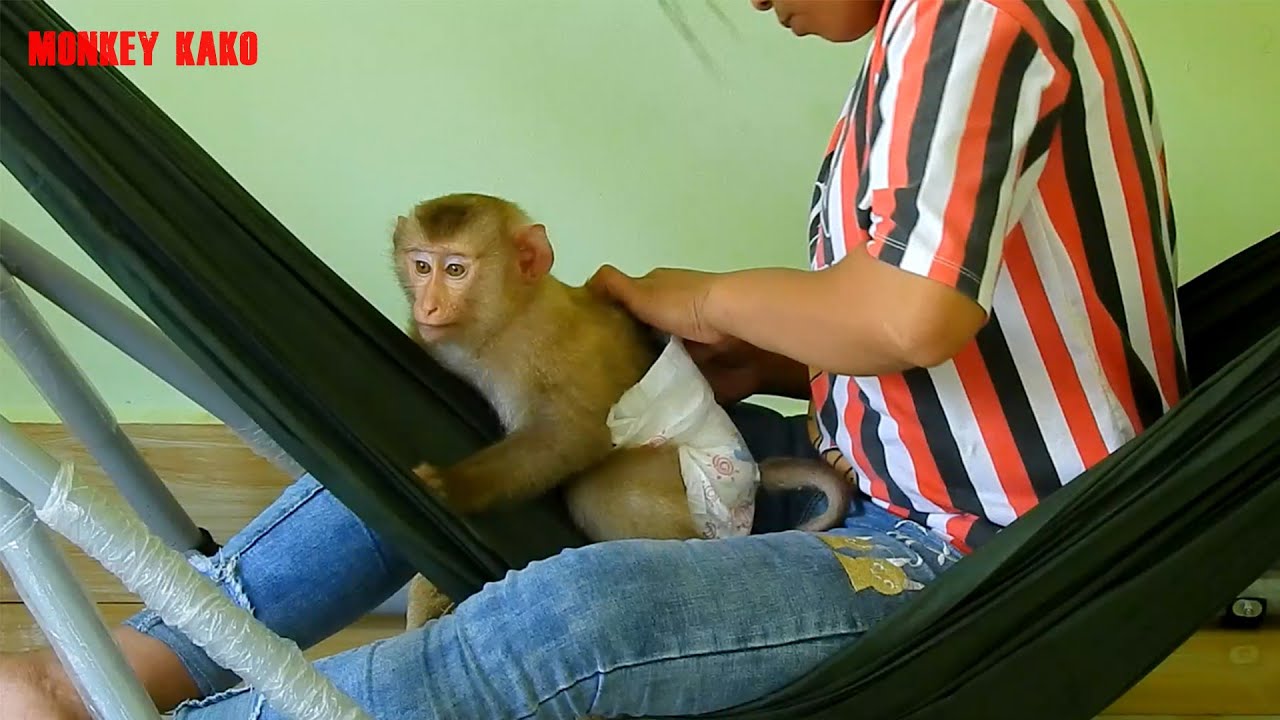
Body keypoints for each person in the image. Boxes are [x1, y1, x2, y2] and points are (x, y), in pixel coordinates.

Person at [1, 0, 1183, 717]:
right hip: (863, 467)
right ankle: (110, 680)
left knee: (575, 619)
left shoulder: (986, 16)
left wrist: (700, 295)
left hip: (962, 553)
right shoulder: (919, 44)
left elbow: (911, 314)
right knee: (442, 429)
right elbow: (932, 335)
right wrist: (736, 367)